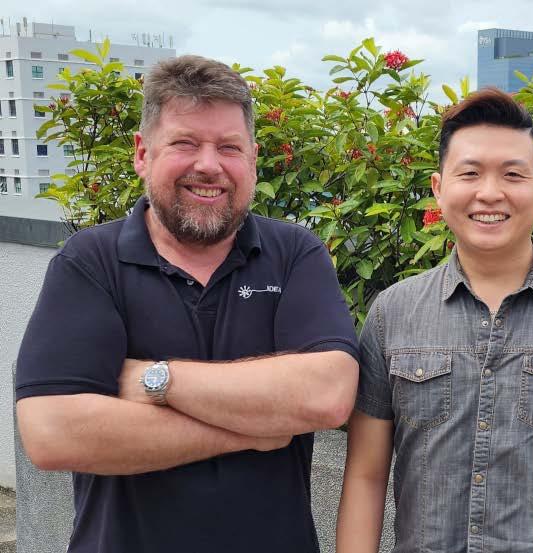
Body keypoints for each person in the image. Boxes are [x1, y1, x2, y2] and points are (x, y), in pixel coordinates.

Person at [15, 55, 359, 553]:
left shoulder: (294, 254)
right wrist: (254, 430)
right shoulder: (90, 262)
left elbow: (327, 394)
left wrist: (154, 380)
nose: (209, 165)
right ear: (143, 153)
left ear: (252, 160)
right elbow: (53, 433)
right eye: (185, 143)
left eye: (229, 147)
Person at [336, 88, 533, 553]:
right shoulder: (392, 312)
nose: (489, 193)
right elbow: (365, 475)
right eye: (469, 173)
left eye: (513, 174)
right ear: (438, 188)